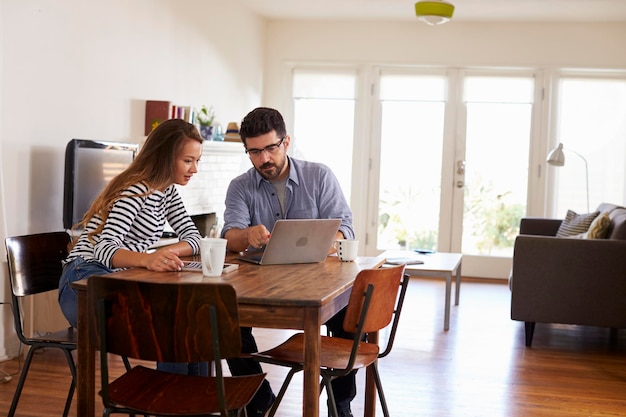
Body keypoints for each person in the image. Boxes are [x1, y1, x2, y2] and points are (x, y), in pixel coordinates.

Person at [221, 107, 356, 417]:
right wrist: (247, 236)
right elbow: (230, 235)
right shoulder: (240, 186)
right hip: (260, 283)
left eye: (271, 148)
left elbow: (345, 228)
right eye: (254, 152)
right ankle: (257, 396)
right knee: (225, 321)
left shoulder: (319, 175)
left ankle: (340, 403)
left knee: (350, 318)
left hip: (319, 280)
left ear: (286, 142)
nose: (264, 158)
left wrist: (328, 239)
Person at [58, 118, 207, 376]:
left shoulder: (167, 192)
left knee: (194, 320)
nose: (194, 169)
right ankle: (171, 403)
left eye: (197, 161)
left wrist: (166, 253)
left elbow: (194, 239)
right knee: (173, 323)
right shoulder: (135, 190)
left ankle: (196, 404)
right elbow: (105, 249)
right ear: (164, 156)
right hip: (83, 282)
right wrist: (148, 259)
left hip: (117, 279)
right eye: (187, 160)